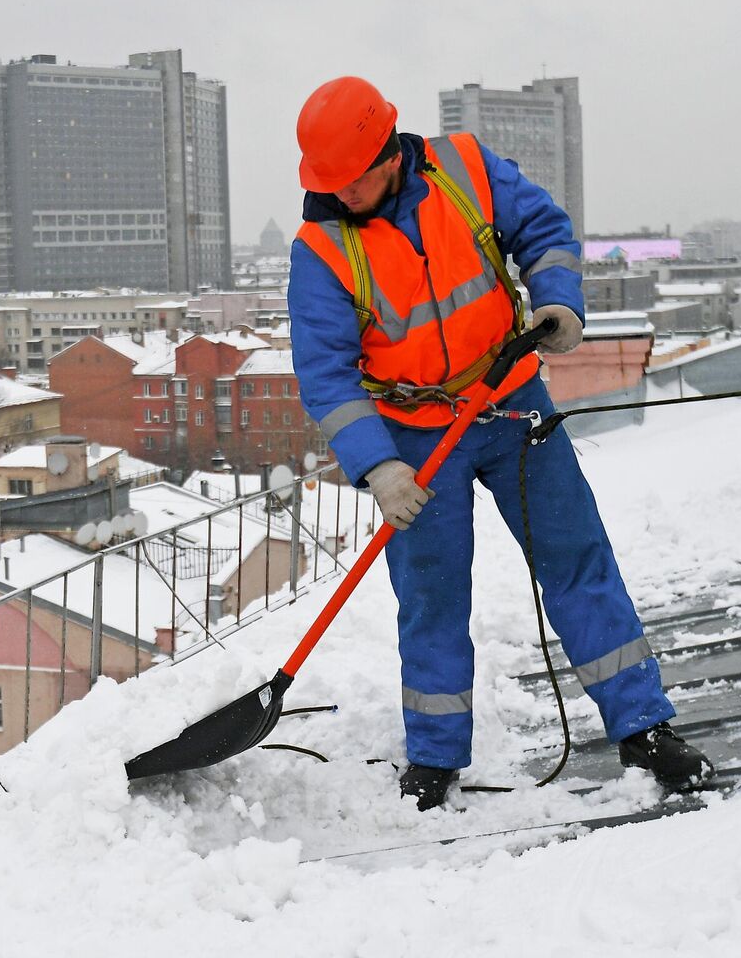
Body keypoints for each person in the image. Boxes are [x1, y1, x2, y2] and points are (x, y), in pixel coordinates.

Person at [287, 76, 713, 810]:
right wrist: (381, 467)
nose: (339, 194)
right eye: (329, 183)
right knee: (431, 597)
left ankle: (644, 728)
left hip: (511, 404)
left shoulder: (466, 169)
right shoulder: (321, 249)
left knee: (577, 559)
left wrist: (557, 303)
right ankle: (434, 758)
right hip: (415, 438)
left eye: (349, 180)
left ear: (389, 154)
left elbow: (543, 232)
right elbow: (325, 374)